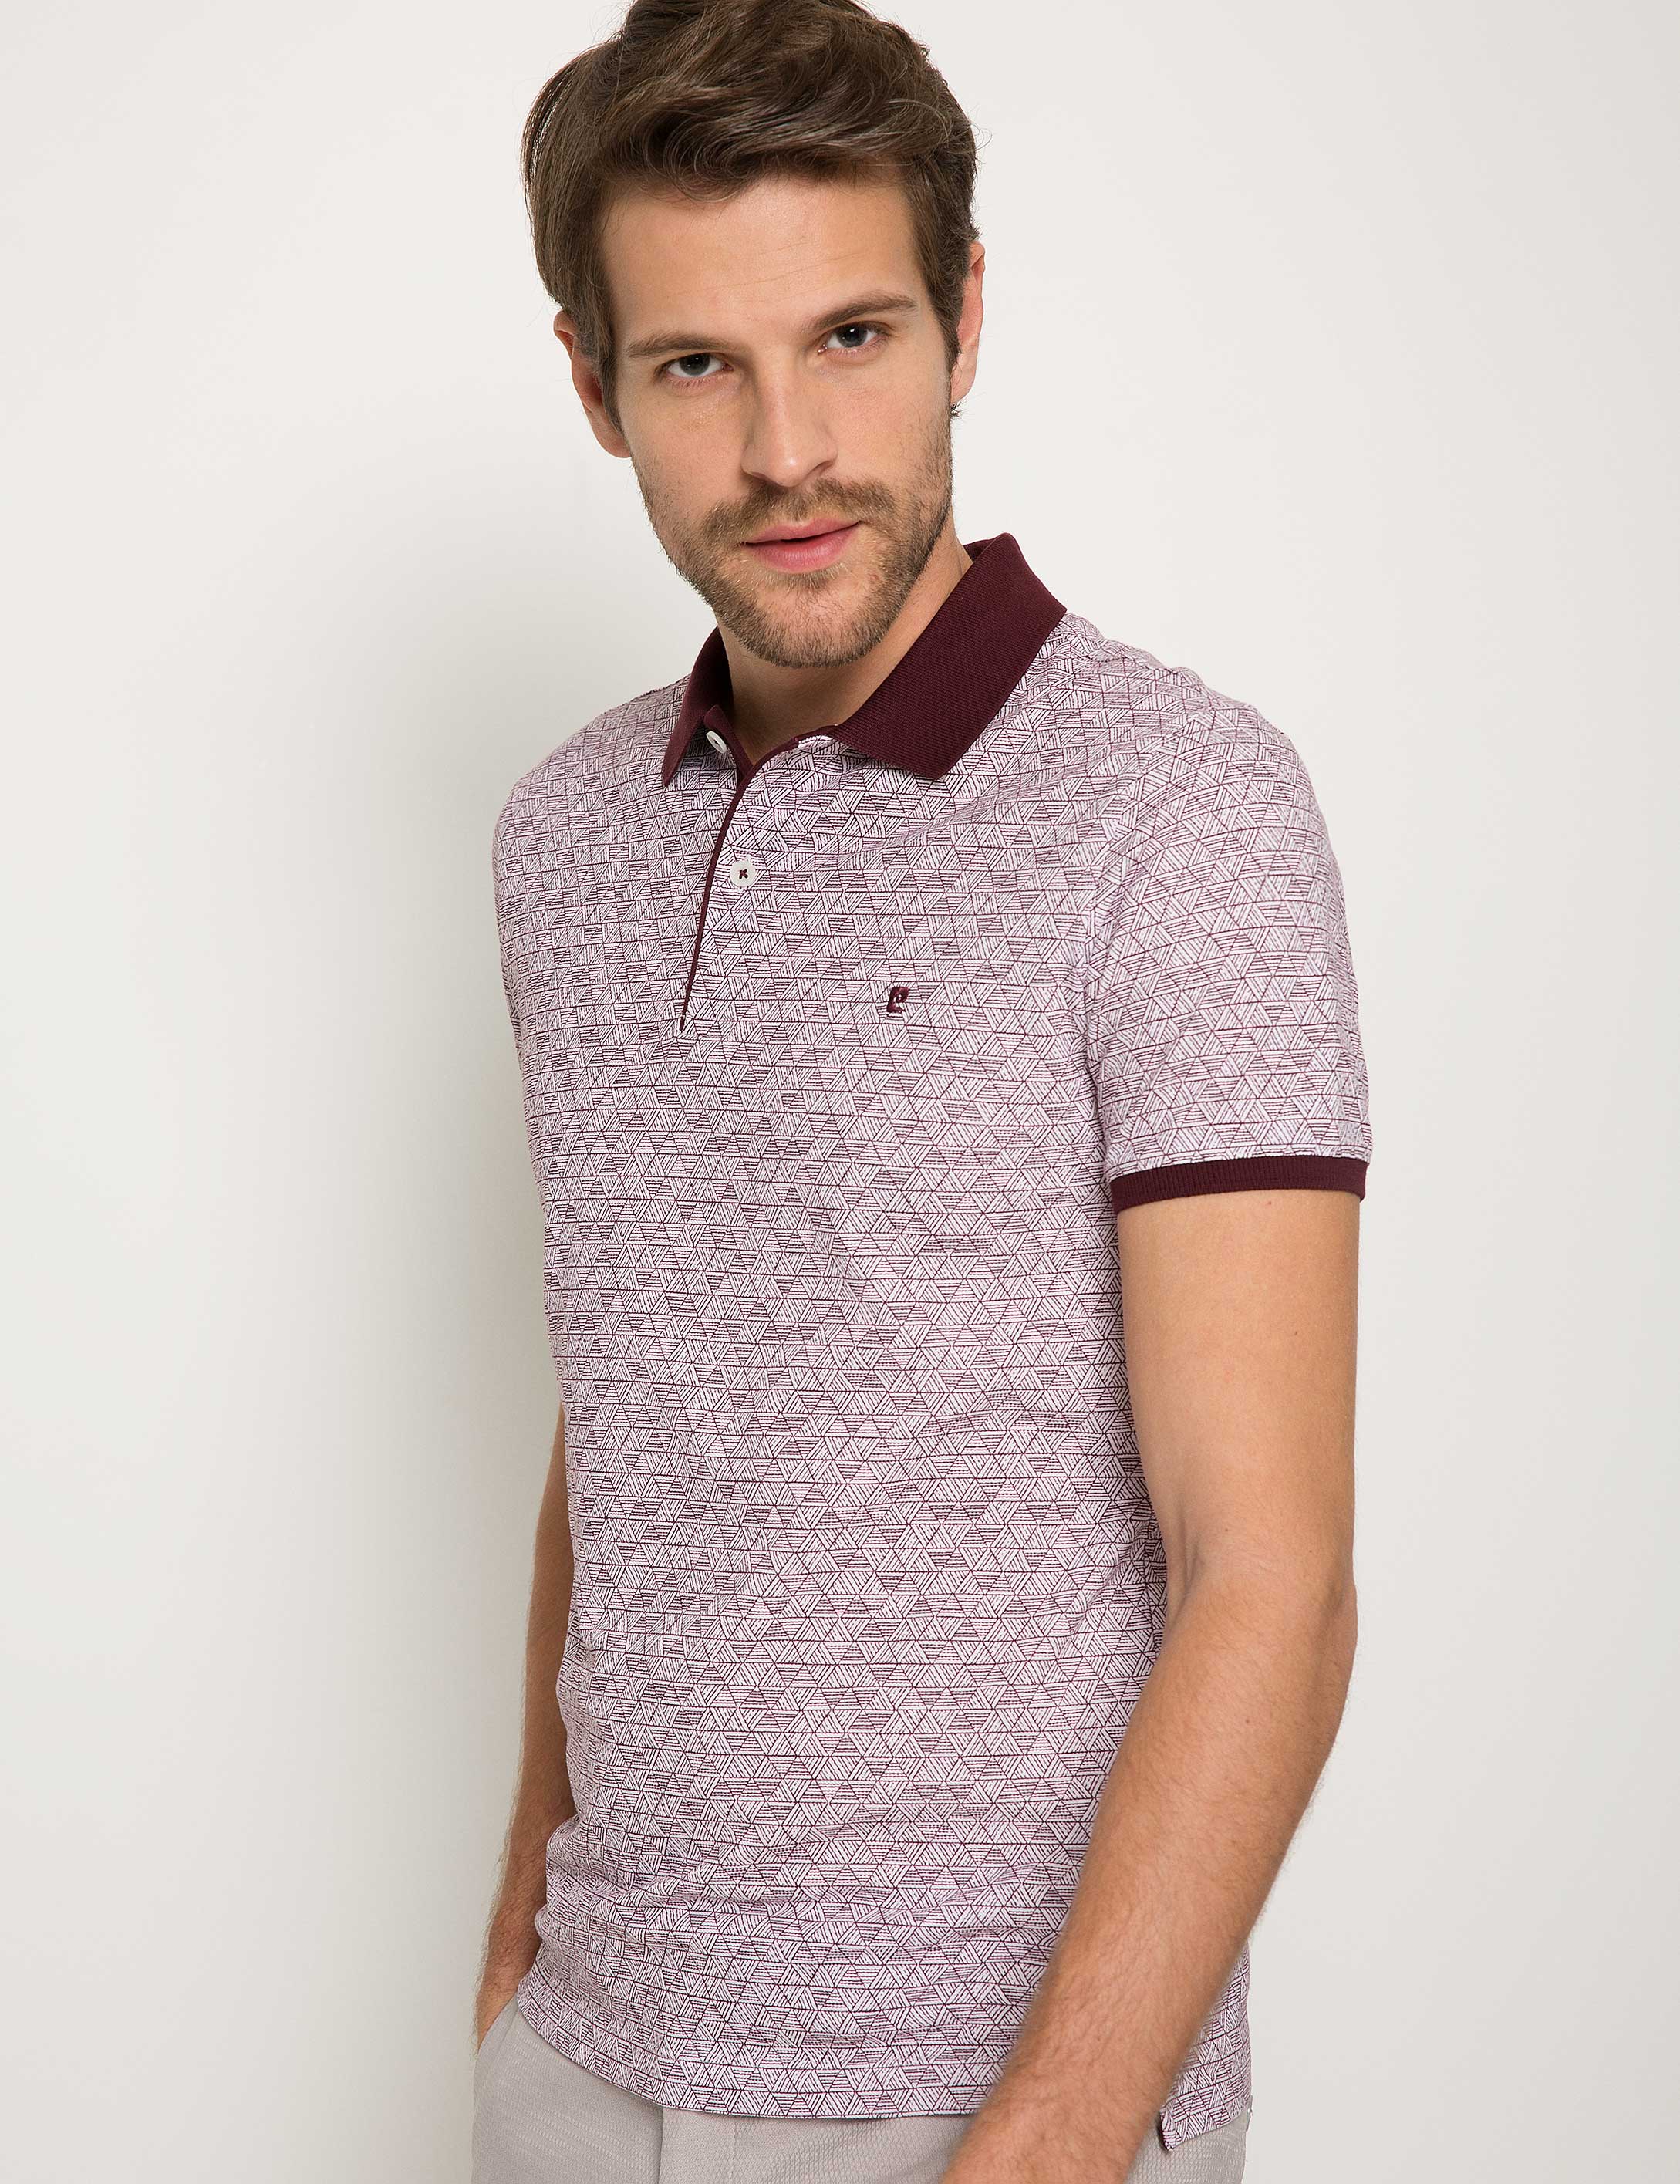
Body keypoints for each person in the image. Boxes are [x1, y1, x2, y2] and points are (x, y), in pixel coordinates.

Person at [472, 2, 1372, 2179]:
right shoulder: (562, 837)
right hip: (586, 2068)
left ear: (965, 316)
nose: (788, 447)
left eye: (852, 337)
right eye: (698, 364)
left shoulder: (1178, 812)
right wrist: (517, 1950)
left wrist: (1050, 2137)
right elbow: (641, 1397)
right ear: (593, 386)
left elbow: (1267, 1569)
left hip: (986, 2095)